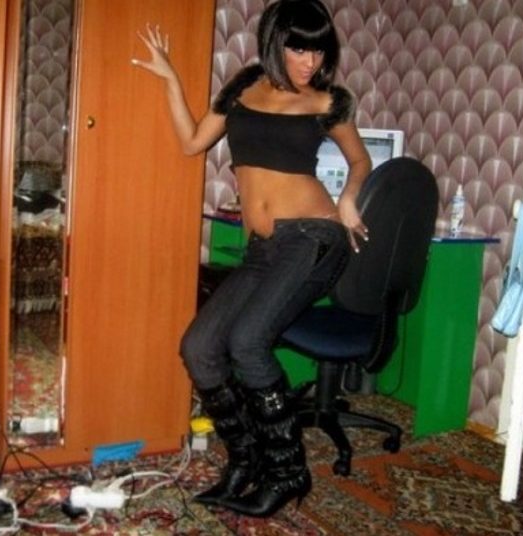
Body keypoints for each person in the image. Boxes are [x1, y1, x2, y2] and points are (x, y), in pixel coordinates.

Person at [132, 0, 371, 517]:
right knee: (199, 347)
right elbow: (193, 142)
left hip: (313, 237)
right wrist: (171, 79)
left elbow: (359, 160)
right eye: (299, 48)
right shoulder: (242, 87)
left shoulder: (327, 100)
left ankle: (287, 472)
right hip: (263, 248)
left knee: (247, 343)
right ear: (274, 41)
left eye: (318, 51)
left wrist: (350, 198)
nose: (309, 61)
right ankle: (245, 460)